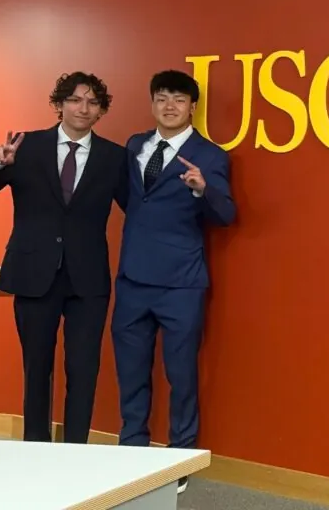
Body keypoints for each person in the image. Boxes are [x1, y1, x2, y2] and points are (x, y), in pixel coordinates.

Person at [0, 72, 127, 444]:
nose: (83, 108)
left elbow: (138, 209)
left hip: (88, 280)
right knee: (36, 368)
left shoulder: (115, 157)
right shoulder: (24, 146)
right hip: (34, 273)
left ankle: (75, 451)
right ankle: (35, 448)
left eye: (92, 102)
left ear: (101, 111)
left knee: (84, 369)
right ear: (59, 105)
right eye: (75, 100)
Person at [112, 69, 235, 493]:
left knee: (181, 375)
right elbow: (132, 201)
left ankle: (180, 459)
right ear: (152, 103)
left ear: (192, 107)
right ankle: (131, 451)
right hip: (132, 278)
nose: (169, 106)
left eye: (179, 99)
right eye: (162, 98)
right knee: (131, 372)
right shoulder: (135, 145)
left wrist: (203, 189)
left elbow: (227, 214)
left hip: (181, 283)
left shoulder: (210, 156)